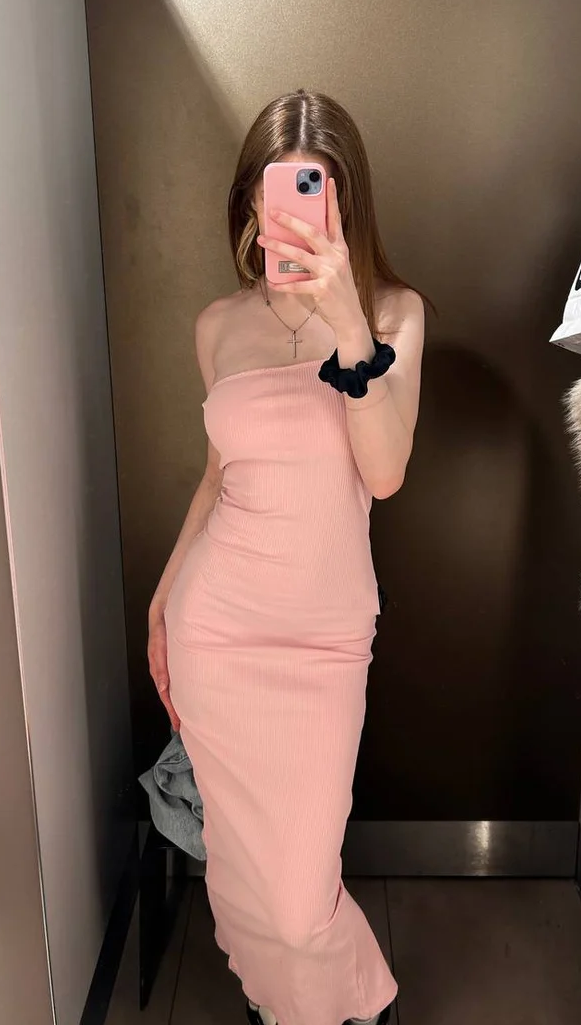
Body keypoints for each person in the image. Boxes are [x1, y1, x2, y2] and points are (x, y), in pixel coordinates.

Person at [147, 90, 425, 1025]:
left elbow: (383, 473)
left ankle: (353, 998)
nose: (299, 218)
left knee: (302, 896)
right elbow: (217, 475)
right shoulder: (217, 326)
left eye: (319, 195)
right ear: (252, 204)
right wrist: (164, 597)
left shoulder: (393, 314)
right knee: (240, 873)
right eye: (281, 196)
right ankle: (285, 1008)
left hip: (322, 643)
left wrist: (350, 330)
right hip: (217, 630)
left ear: (347, 203)